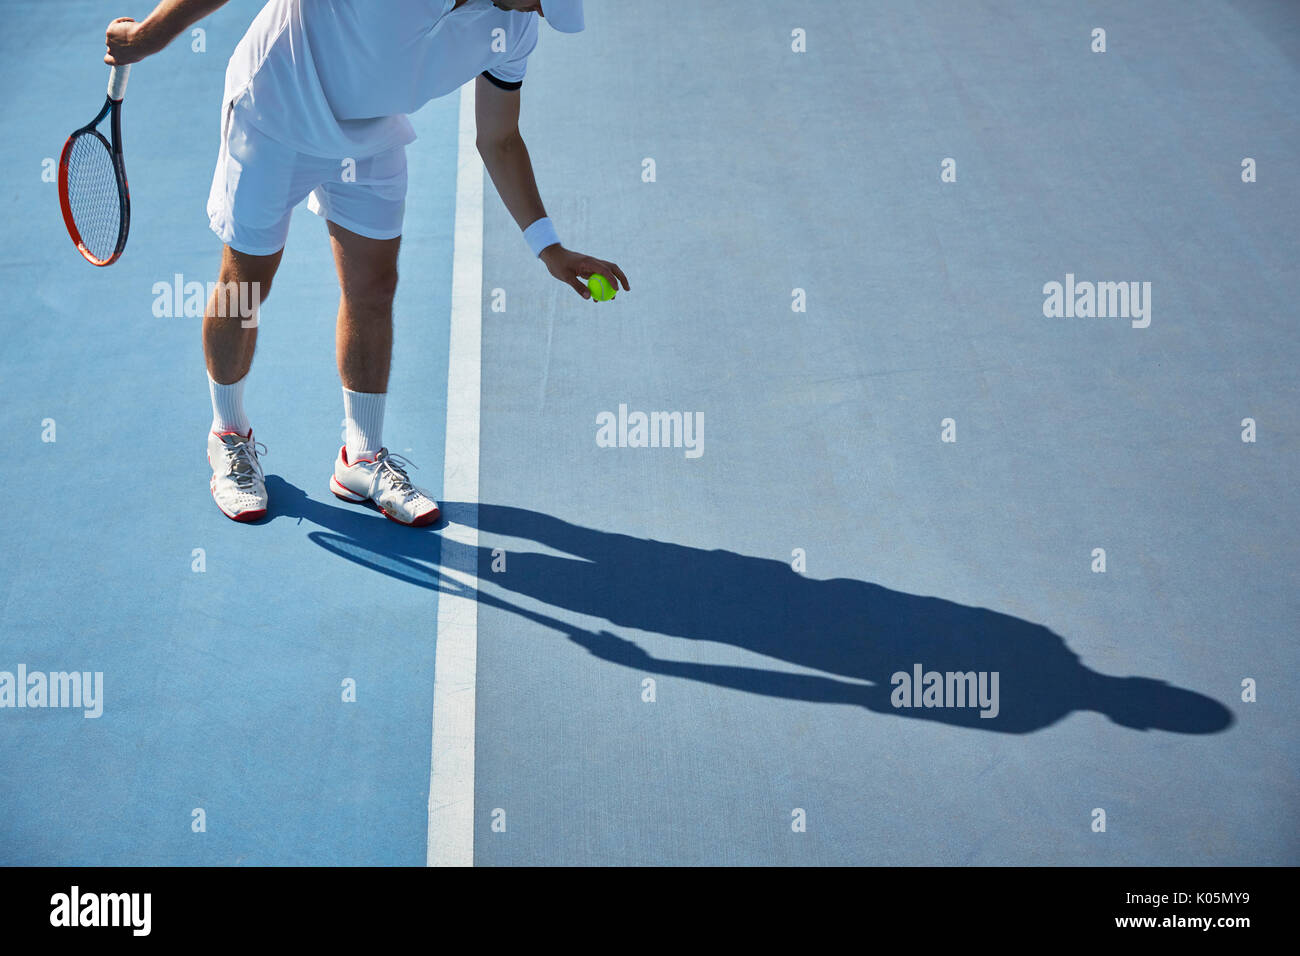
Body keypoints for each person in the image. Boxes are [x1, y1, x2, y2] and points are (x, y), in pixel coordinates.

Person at [104, 0, 629, 525]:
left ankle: (361, 456)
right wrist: (151, 35)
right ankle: (227, 433)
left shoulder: (513, 32)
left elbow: (499, 137)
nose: (535, 12)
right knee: (247, 285)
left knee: (373, 286)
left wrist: (549, 247)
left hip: (369, 131)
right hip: (276, 105)